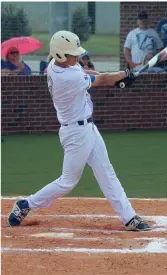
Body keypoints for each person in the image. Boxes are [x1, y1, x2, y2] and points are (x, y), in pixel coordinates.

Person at [8, 30, 151, 231]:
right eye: (72, 54)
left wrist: (118, 78)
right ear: (60, 55)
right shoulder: (65, 78)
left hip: (88, 128)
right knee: (67, 182)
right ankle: (26, 204)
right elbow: (99, 81)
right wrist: (121, 77)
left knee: (106, 172)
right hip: (75, 133)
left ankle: (129, 217)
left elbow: (90, 74)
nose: (77, 57)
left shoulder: (58, 65)